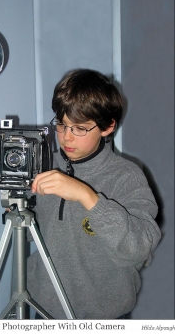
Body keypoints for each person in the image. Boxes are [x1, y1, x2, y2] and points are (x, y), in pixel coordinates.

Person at [26, 69, 161, 319]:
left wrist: (89, 198)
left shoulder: (126, 176)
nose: (67, 137)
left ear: (108, 126)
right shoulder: (44, 166)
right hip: (45, 310)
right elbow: (34, 234)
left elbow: (139, 249)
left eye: (79, 128)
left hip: (104, 316)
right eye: (61, 125)